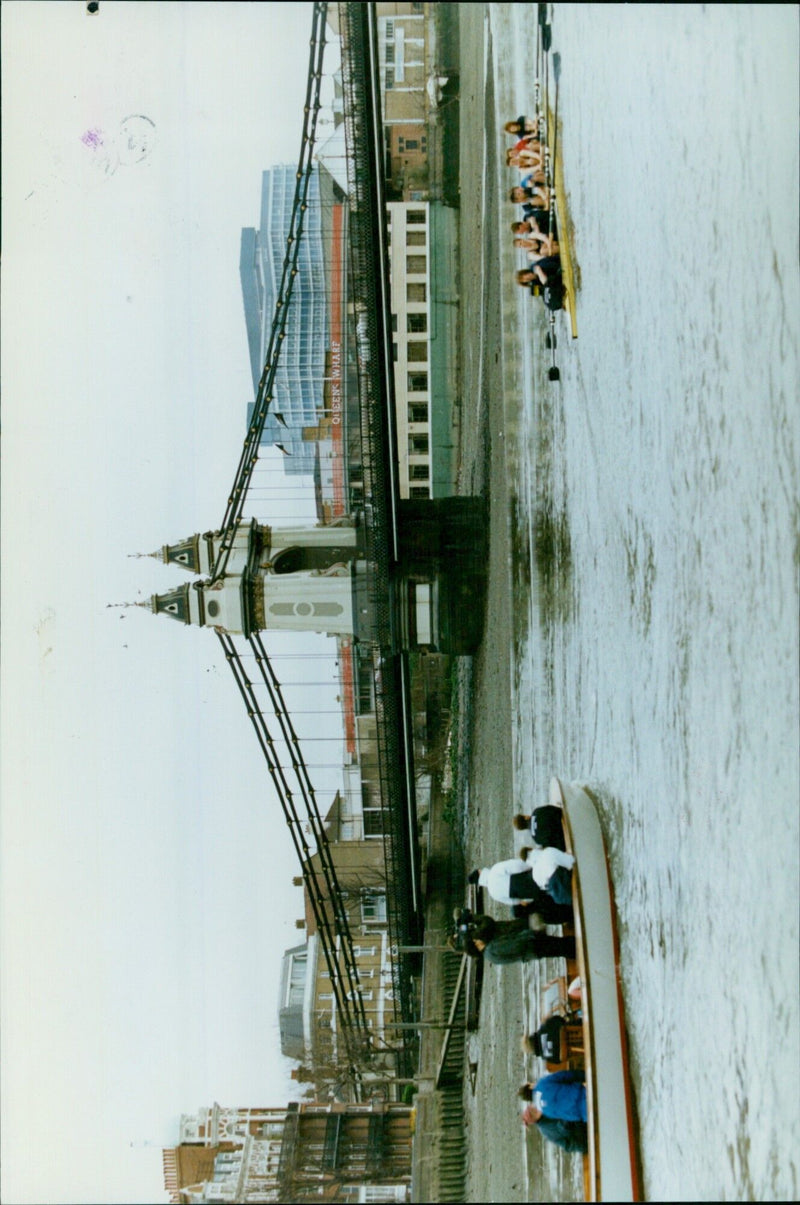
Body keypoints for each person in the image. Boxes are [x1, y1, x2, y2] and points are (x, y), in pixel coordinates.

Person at [468, 846, 575, 907]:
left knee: (553, 893)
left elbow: (513, 902)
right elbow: (516, 866)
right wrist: (531, 863)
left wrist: (525, 900)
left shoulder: (493, 893)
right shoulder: (494, 871)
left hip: (528, 894)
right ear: (480, 872)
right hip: (529, 878)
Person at [453, 914, 576, 965]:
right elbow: (516, 944)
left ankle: (577, 950)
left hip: (531, 952)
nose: (477, 940)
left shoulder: (490, 956)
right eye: (475, 941)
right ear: (476, 946)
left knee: (562, 949)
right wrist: (531, 933)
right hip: (532, 945)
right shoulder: (492, 948)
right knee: (563, 946)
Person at [519, 1068, 587, 1123]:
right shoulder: (542, 1083)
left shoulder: (546, 1112)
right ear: (530, 1087)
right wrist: (585, 1075)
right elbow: (564, 1075)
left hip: (584, 1114)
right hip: (583, 1094)